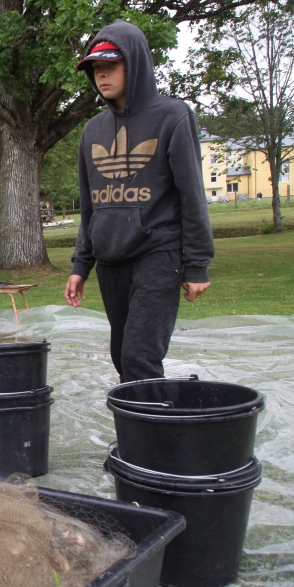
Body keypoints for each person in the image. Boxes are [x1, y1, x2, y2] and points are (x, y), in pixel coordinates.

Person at [65, 20, 215, 382]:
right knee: (121, 355)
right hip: (111, 258)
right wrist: (80, 265)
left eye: (111, 66)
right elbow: (90, 205)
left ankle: (154, 439)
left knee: (139, 354)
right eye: (96, 69)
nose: (102, 76)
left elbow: (192, 194)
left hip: (158, 253)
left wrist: (197, 265)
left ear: (135, 65)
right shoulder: (93, 130)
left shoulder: (172, 116)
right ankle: (136, 439)